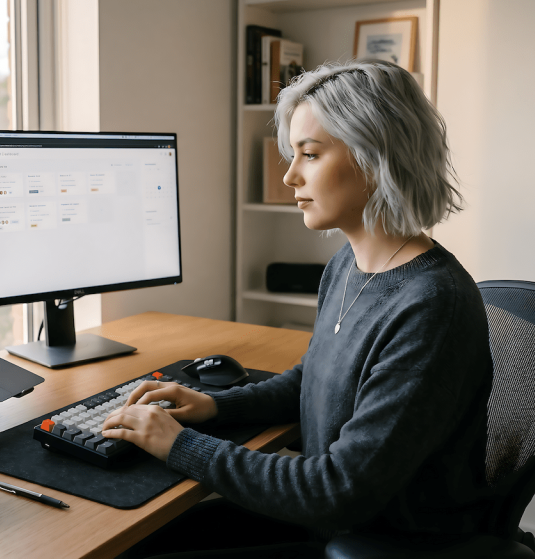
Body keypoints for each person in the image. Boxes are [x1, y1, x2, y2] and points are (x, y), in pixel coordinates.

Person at [102, 59, 494, 557]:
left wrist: (180, 445)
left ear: (377, 157)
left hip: (381, 542)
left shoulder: (432, 306)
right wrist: (218, 406)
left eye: (309, 154)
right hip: (327, 523)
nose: (289, 176)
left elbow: (337, 491)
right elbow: (313, 379)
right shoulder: (348, 265)